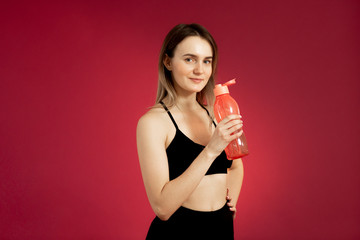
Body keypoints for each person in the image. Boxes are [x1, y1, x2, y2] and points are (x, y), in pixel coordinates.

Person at [136, 23, 244, 240]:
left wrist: (230, 202)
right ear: (168, 62)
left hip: (221, 229)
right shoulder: (153, 123)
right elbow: (163, 208)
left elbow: (236, 165)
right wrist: (211, 150)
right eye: (189, 59)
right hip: (179, 231)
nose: (199, 70)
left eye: (206, 61)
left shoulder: (216, 113)